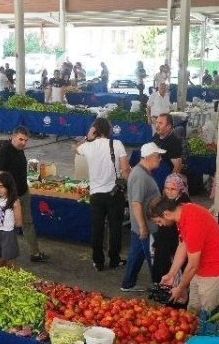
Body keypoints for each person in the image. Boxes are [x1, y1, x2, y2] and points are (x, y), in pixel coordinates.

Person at [155, 199, 219, 312]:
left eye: (159, 221)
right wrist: (171, 274)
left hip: (214, 272)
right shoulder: (183, 211)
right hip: (200, 270)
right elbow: (183, 244)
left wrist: (181, 288)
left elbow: (192, 265)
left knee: (208, 314)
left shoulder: (193, 222)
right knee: (193, 309)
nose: (160, 225)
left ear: (166, 214)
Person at [76, 117, 130, 271]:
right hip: (114, 194)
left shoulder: (87, 146)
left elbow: (75, 148)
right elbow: (125, 170)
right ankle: (114, 260)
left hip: (96, 195)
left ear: (95, 130)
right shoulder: (117, 144)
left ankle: (98, 261)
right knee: (115, 229)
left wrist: (88, 137)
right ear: (109, 130)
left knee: (98, 229)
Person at [0, 126, 48, 263]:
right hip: (13, 197)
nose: (23, 143)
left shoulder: (20, 151)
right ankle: (4, 257)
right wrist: (9, 198)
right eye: (20, 139)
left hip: (24, 193)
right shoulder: (5, 152)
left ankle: (35, 253)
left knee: (28, 223)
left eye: (26, 140)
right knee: (8, 225)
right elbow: (0, 177)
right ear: (13, 137)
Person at [121, 142, 164, 292]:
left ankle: (128, 283)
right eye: (158, 156)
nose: (160, 159)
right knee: (153, 258)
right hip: (146, 226)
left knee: (137, 255)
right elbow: (136, 204)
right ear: (150, 157)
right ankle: (158, 287)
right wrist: (143, 227)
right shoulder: (140, 176)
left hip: (142, 226)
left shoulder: (142, 173)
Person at [150, 174, 191, 283]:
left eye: (173, 189)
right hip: (164, 244)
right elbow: (162, 227)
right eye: (167, 188)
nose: (169, 192)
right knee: (162, 269)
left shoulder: (183, 204)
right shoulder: (165, 201)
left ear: (180, 190)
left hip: (176, 245)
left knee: (174, 271)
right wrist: (156, 243)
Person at [0, 171, 22, 268]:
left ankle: (12, 276)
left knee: (9, 258)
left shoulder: (15, 202)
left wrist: (10, 226)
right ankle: (0, 273)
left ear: (9, 186)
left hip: (7, 233)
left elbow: (19, 222)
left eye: (1, 187)